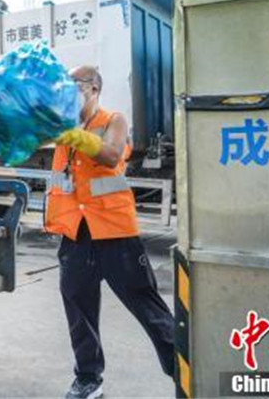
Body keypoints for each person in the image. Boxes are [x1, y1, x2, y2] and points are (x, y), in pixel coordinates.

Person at [46, 65, 175, 399]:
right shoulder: (60, 126)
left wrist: (74, 135)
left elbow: (111, 154)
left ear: (94, 88)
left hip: (115, 234)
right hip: (75, 236)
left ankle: (186, 371)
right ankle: (89, 378)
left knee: (148, 307)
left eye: (75, 84)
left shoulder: (112, 120)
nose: (69, 90)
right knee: (79, 310)